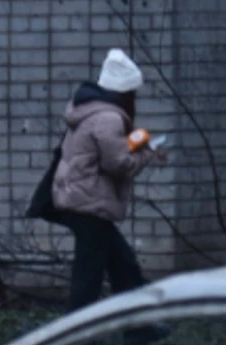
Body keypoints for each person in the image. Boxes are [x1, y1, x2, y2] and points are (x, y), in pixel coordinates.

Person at [50, 48, 165, 311]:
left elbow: (105, 153)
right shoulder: (108, 118)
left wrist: (133, 145)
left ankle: (138, 329)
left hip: (78, 200)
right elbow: (119, 165)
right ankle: (79, 337)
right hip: (89, 203)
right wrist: (146, 154)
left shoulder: (88, 110)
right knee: (91, 275)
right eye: (132, 94)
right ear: (123, 93)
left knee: (121, 266)